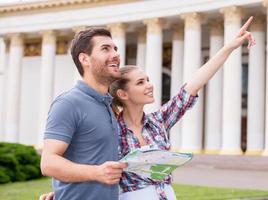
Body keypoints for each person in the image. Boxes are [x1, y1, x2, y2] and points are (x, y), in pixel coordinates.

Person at [40, 16, 255, 200]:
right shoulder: (112, 124)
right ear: (123, 94)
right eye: (140, 82)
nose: (150, 85)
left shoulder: (153, 121)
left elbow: (191, 87)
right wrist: (61, 192)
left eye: (115, 48)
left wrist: (229, 47)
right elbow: (67, 160)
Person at [40, 28, 127, 200]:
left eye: (115, 49)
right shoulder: (68, 103)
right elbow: (48, 163)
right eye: (105, 49)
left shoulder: (108, 105)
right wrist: (97, 172)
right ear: (84, 59)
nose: (115, 54)